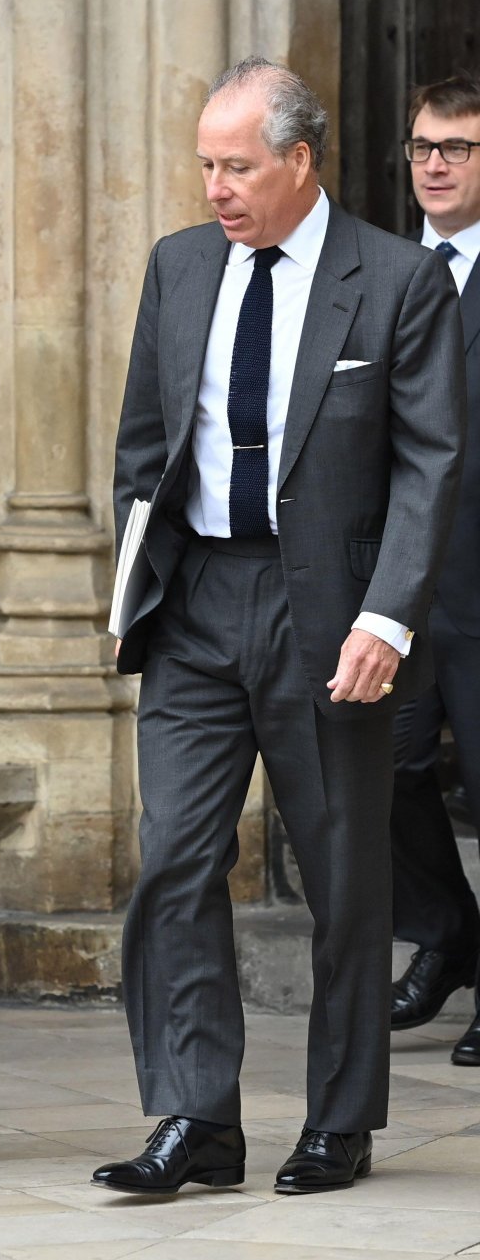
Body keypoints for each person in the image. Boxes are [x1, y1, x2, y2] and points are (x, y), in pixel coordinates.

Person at [96, 57, 464, 1198]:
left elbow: (431, 463)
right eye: (206, 163)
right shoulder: (178, 264)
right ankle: (196, 1115)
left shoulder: (398, 280)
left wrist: (389, 616)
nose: (214, 185)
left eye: (237, 165)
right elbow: (143, 445)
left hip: (333, 615)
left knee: (345, 875)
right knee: (175, 862)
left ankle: (340, 1117)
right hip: (198, 606)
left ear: (300, 162)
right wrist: (133, 580)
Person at [388, 75, 480, 1067]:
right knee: (382, 773)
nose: (437, 165)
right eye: (422, 147)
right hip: (401, 593)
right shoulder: (374, 273)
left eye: (456, 147)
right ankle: (451, 931)